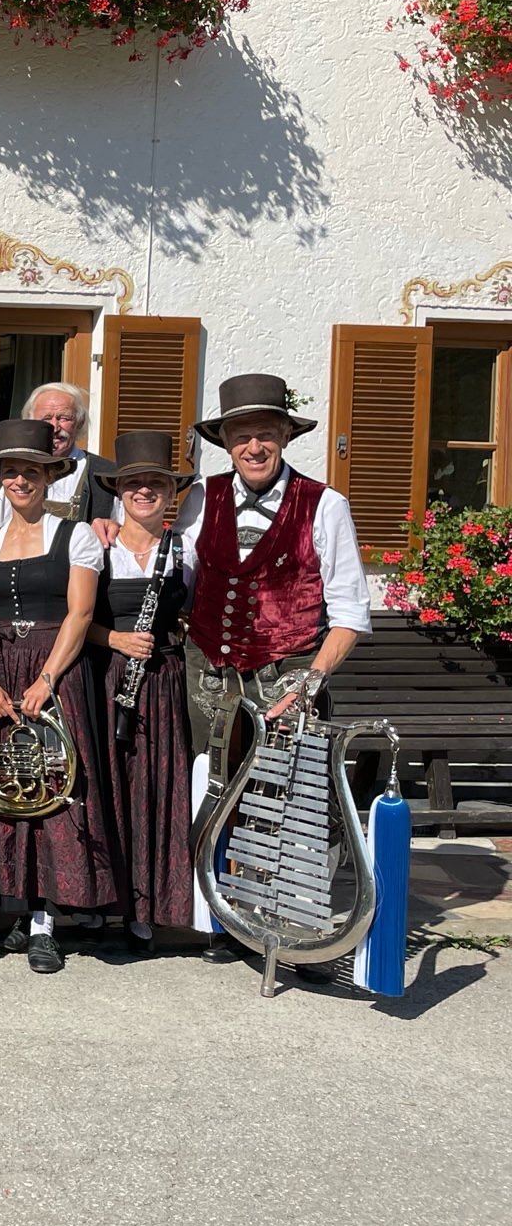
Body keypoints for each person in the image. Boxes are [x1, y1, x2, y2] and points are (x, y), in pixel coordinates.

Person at [176, 374, 373, 959]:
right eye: (242, 435)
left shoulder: (325, 504)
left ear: (286, 436)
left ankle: (291, 929)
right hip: (210, 677)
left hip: (289, 674)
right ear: (226, 442)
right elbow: (180, 581)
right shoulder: (200, 498)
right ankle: (224, 920)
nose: (254, 446)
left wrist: (311, 682)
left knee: (294, 805)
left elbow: (350, 613)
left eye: (265, 433)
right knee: (219, 796)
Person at [0, 417, 120, 976]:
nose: (21, 480)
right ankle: (23, 905)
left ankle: (48, 920)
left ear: (50, 475)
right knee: (11, 789)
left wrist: (48, 679)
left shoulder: (75, 536)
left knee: (56, 788)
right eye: (10, 471)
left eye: (31, 470)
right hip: (1, 672)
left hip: (55, 672)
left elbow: (80, 613)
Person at [87, 432, 196, 953]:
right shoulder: (94, 544)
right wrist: (114, 639)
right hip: (106, 676)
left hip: (163, 680)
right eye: (133, 483)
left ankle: (146, 907)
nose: (144, 491)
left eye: (156, 482)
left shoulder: (186, 551)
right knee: (105, 786)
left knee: (154, 789)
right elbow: (72, 620)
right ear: (118, 490)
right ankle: (100, 899)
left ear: (171, 492)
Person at [0, 382, 115, 526]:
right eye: (46, 418)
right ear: (30, 422)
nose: (54, 428)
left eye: (64, 418)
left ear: (80, 423)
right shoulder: (5, 475)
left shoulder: (106, 475)